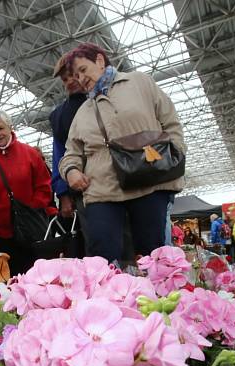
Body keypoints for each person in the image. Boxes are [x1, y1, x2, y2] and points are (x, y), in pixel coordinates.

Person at [58, 42, 185, 263]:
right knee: (101, 257)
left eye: (83, 70)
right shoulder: (83, 112)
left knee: (153, 256)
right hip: (102, 190)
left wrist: (175, 153)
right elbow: (71, 153)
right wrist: (71, 172)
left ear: (99, 60)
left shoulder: (139, 82)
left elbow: (170, 121)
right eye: (76, 75)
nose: (80, 78)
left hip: (149, 181)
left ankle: (154, 296)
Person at [0, 110, 53, 275]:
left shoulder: (30, 154)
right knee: (7, 279)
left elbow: (44, 185)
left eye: (1, 128)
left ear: (10, 127)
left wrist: (34, 206)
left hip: (30, 229)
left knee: (34, 274)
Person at [49, 52, 87, 220]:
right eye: (65, 79)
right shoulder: (58, 115)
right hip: (81, 188)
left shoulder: (103, 99)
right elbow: (58, 155)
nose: (70, 81)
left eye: (73, 75)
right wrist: (63, 194)